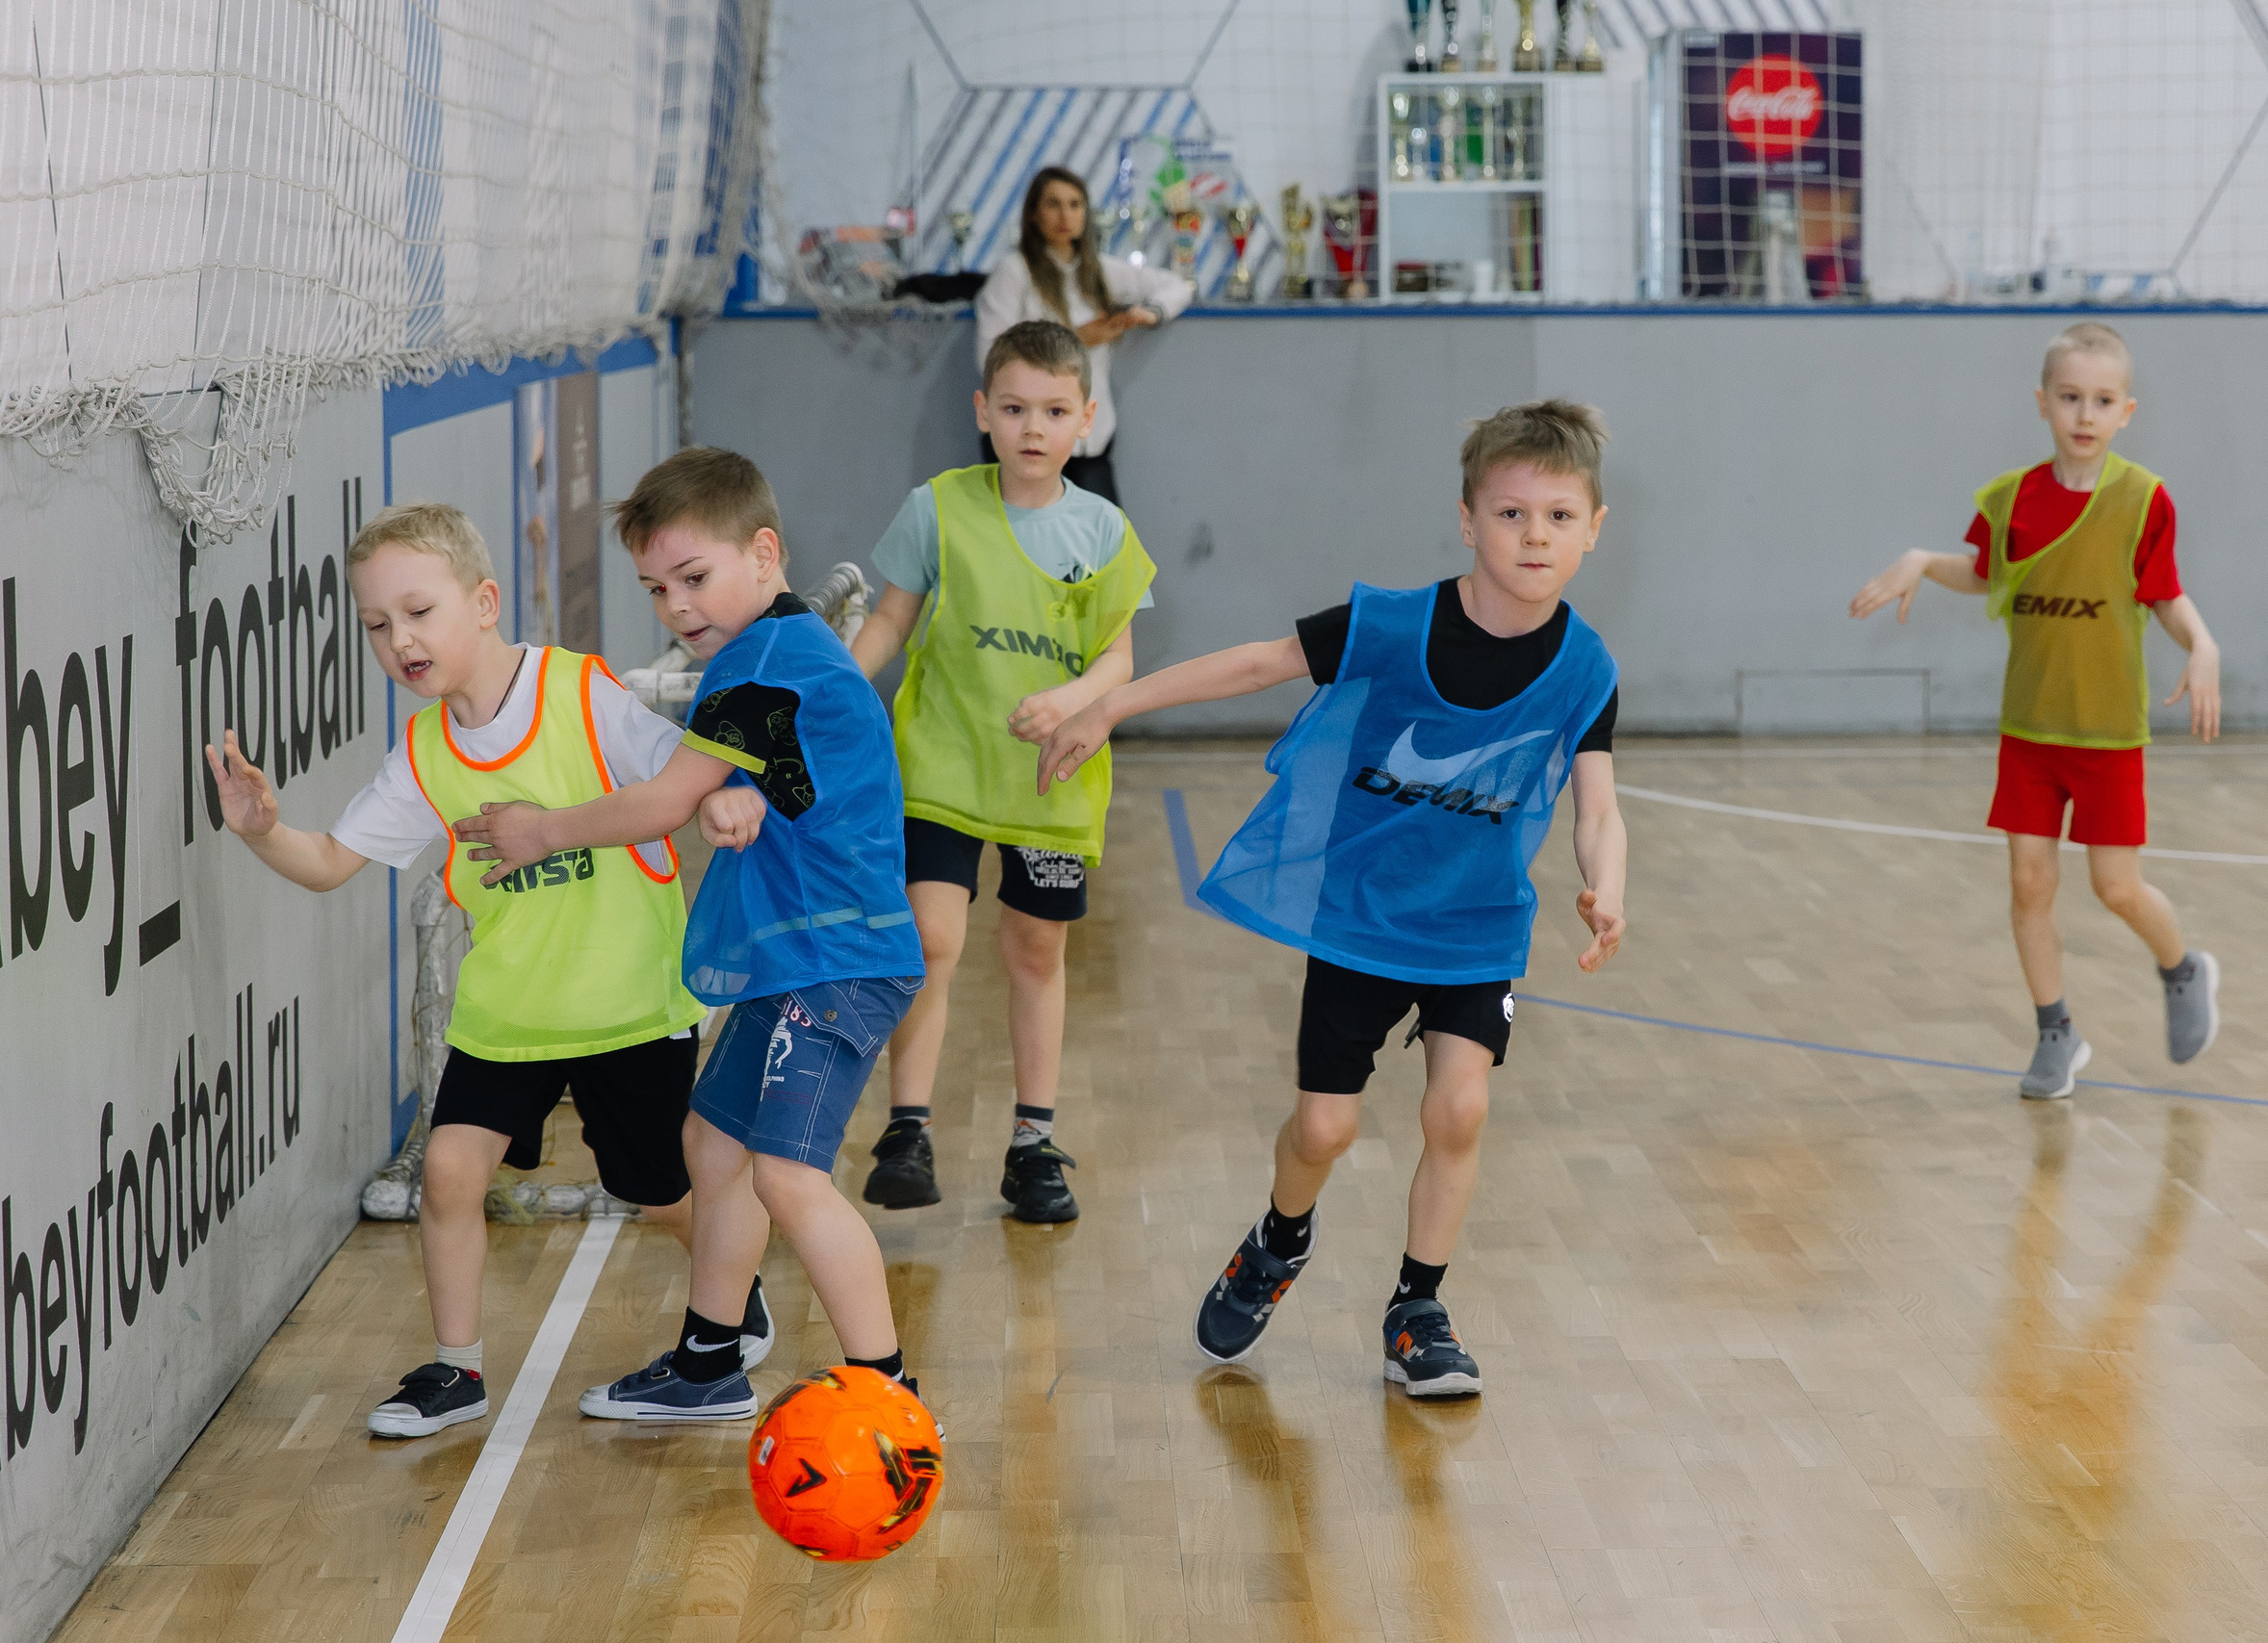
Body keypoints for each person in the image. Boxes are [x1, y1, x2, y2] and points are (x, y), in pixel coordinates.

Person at [1036, 399, 1628, 1398]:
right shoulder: (1392, 625)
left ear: (1594, 530)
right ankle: (1278, 1238)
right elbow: (1258, 663)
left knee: (1461, 1109)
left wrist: (1606, 885)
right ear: (1466, 519)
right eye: (1512, 514)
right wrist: (1114, 703)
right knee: (1323, 1131)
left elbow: (1597, 803)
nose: (1535, 537)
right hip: (1360, 916)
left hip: (1477, 926)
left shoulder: (1586, 669)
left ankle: (1417, 1310)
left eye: (1559, 517)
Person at [203, 502, 769, 1438]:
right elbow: (329, 862)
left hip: (629, 1007)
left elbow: (687, 774)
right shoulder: (423, 757)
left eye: (419, 612)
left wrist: (726, 800)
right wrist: (264, 832)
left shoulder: (580, 695)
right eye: (378, 625)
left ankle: (728, 1299)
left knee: (657, 1190)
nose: (400, 640)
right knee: (452, 1173)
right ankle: (455, 1370)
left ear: (485, 601)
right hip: (507, 1017)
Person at [454, 448, 933, 1421]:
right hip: (794, 960)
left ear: (765, 554)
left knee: (790, 1178)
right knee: (712, 1146)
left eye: (694, 578)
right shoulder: (779, 651)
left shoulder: (764, 661)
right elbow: (773, 775)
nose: (676, 606)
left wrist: (539, 829)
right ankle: (710, 1362)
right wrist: (741, 795)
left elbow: (665, 799)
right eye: (656, 589)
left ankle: (888, 1396)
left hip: (836, 965)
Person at [1849, 321, 2224, 1101]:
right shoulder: (2013, 498)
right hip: (2030, 730)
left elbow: (2163, 595)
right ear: (2043, 403)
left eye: (2102, 400)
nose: (2084, 414)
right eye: (2069, 398)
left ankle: (2183, 967)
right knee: (2028, 884)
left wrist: (2202, 643)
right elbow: (1987, 574)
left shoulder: (2144, 500)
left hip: (2109, 733)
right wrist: (1921, 559)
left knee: (2116, 888)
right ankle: (2056, 1031)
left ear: (2127, 411)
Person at [844, 320, 1157, 1223]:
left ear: (1086, 420)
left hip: (1049, 774)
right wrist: (834, 686)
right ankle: (907, 1128)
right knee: (929, 938)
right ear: (983, 411)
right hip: (943, 762)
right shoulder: (938, 505)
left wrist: (1072, 701)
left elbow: (1119, 662)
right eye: (1014, 407)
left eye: (1054, 410)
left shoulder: (1102, 530)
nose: (1033, 426)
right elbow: (891, 621)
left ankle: (1032, 1139)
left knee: (1035, 949)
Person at [971, 164, 1192, 503]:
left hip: (1091, 437)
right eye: (1053, 204)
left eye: (1075, 205)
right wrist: (1074, 341)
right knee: (1027, 547)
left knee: (1103, 548)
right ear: (1033, 213)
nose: (1065, 215)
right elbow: (990, 358)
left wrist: (1151, 313)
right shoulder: (1013, 272)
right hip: (1027, 443)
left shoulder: (1099, 270)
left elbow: (1177, 285)